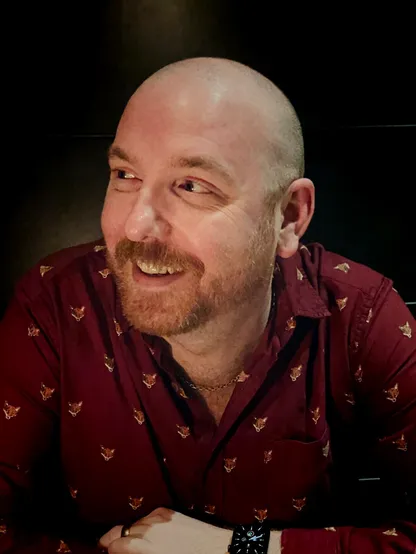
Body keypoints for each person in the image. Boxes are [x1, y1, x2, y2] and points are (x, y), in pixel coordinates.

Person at [0, 57, 414, 554]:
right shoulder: (54, 308)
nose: (135, 226)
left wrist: (243, 548)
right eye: (125, 174)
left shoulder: (361, 318)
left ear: (288, 216)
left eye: (192, 186)